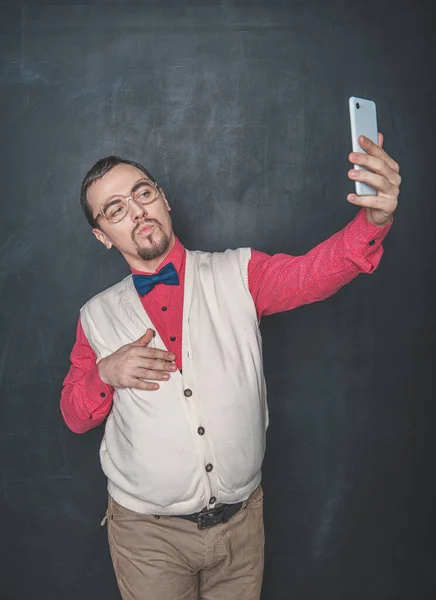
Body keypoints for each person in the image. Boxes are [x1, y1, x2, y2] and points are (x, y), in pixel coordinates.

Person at [61, 134, 401, 600]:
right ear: (102, 236)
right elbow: (74, 416)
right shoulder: (94, 316)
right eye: (115, 208)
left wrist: (373, 219)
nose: (137, 210)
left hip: (241, 526)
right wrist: (104, 374)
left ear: (164, 199)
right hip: (148, 536)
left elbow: (313, 273)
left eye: (142, 193)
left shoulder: (240, 272)